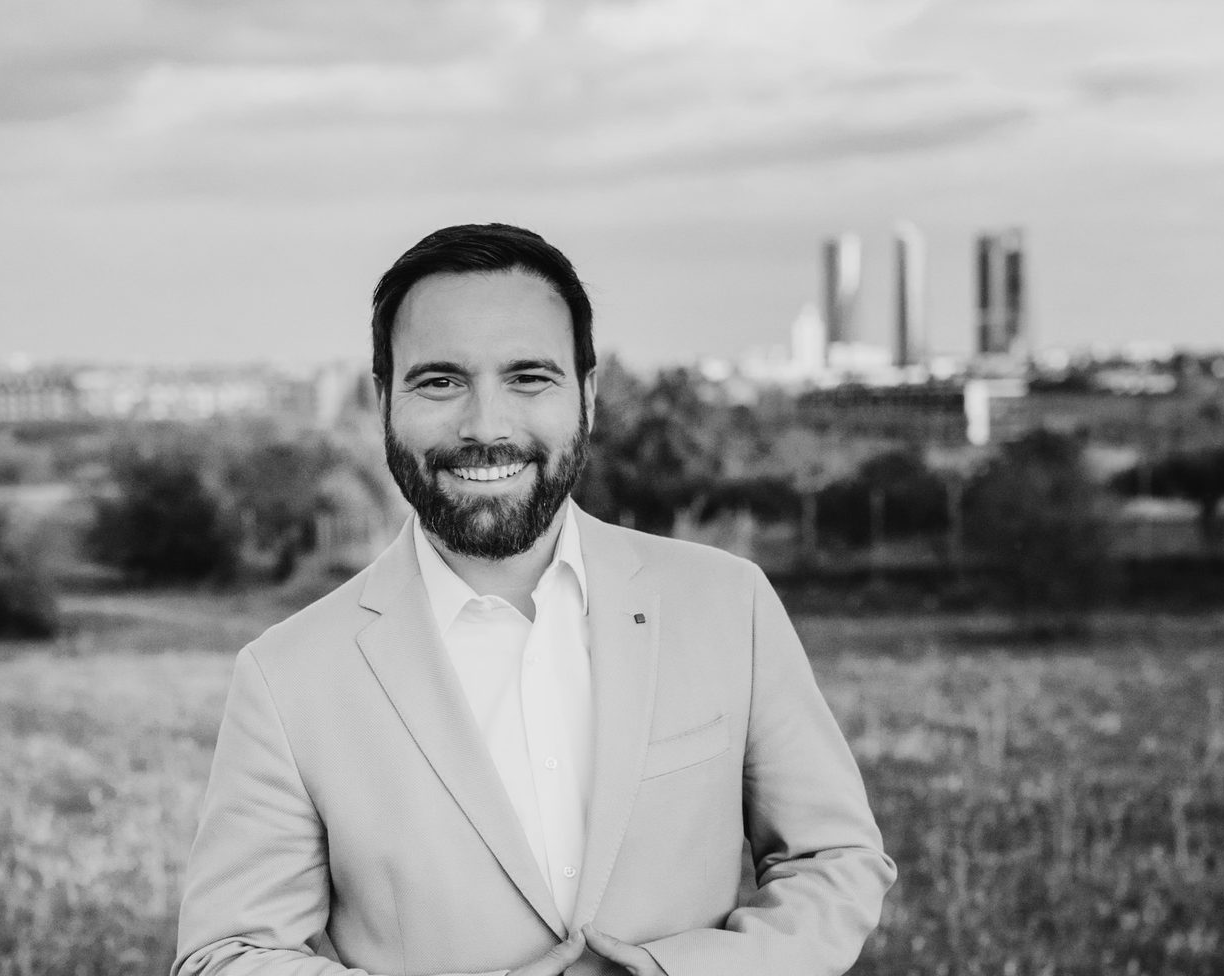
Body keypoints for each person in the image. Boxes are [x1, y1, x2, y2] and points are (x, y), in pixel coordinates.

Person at [173, 223, 896, 976]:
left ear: (586, 394)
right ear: (384, 399)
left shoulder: (728, 604)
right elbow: (227, 955)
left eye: (528, 377)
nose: (486, 427)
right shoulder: (285, 677)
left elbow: (834, 859)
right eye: (440, 381)